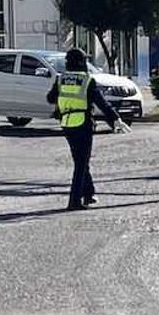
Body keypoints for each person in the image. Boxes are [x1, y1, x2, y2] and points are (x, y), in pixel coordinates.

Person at [46, 49, 128, 211]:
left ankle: (89, 193)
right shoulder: (86, 80)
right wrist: (115, 119)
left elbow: (50, 98)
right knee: (81, 163)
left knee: (80, 160)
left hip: (66, 123)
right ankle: (74, 201)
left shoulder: (61, 79)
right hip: (83, 124)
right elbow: (102, 103)